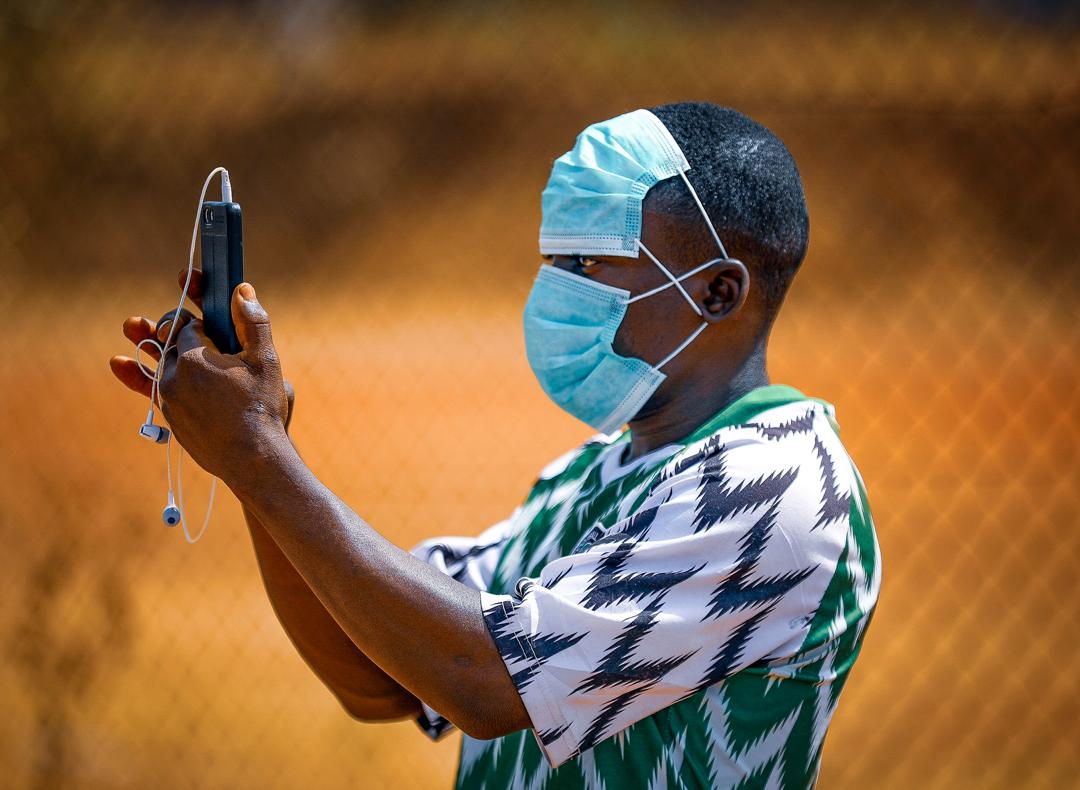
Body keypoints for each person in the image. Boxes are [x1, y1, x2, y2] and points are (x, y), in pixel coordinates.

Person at [110, 101, 881, 789]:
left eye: (589, 265)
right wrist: (255, 454)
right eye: (555, 260)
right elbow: (382, 681)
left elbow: (481, 679)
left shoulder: (779, 488)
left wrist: (259, 457)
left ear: (718, 291)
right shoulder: (593, 474)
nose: (558, 288)